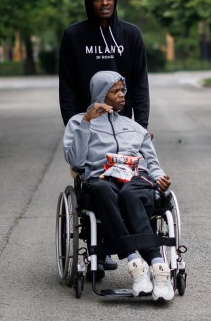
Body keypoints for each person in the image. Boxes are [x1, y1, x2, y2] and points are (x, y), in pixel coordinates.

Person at [63, 71, 174, 301]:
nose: (123, 95)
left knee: (131, 194)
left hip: (135, 179)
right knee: (104, 190)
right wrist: (86, 123)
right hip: (101, 180)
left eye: (123, 90)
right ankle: (136, 264)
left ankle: (157, 267)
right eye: (116, 91)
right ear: (102, 94)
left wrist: (160, 176)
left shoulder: (134, 127)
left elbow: (152, 163)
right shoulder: (78, 122)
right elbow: (75, 161)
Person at [59, 0, 150, 130]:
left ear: (115, 0)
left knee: (121, 155)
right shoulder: (73, 36)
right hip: (86, 119)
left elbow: (140, 82)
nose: (104, 3)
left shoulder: (131, 34)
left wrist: (142, 125)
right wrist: (72, 124)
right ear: (89, 3)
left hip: (122, 122)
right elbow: (67, 85)